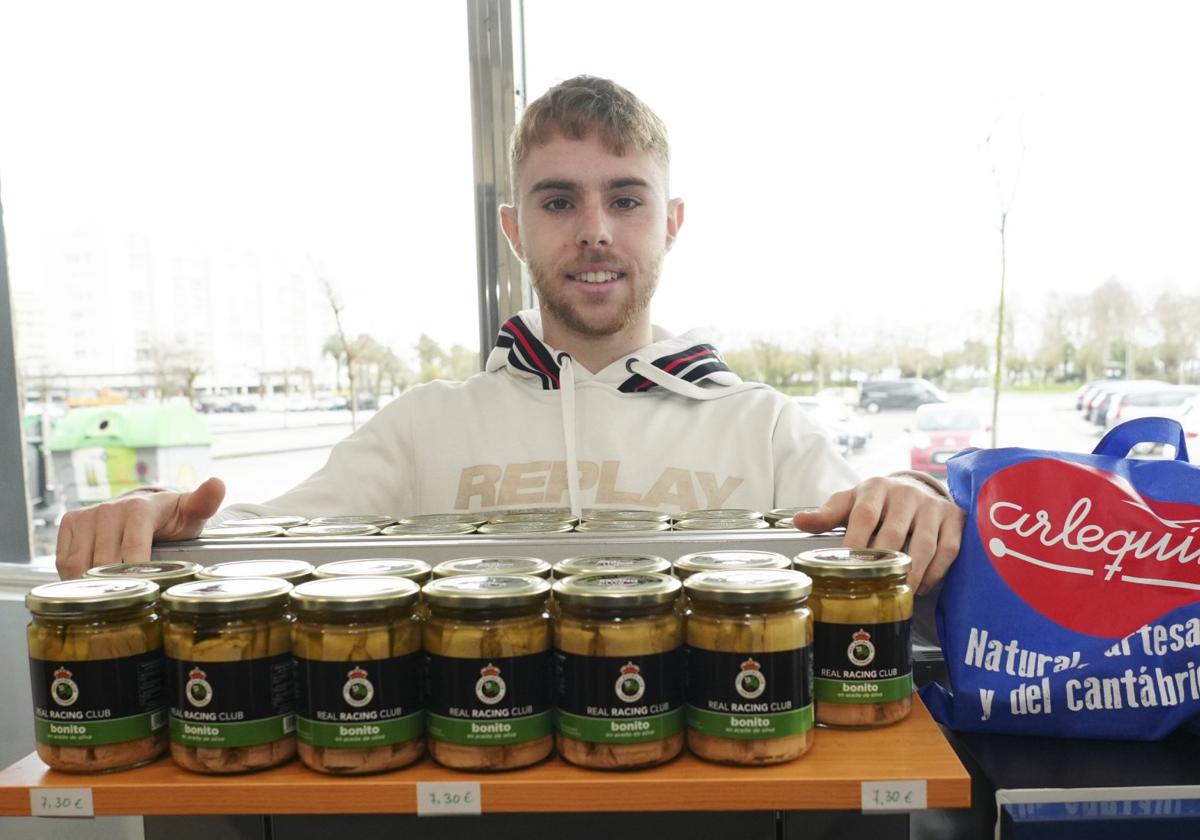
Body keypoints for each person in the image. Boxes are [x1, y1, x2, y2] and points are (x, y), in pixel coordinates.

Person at [55, 76, 964, 593]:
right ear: (515, 229)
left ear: (672, 222)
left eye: (627, 198)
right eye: (559, 200)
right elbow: (272, 537)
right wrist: (161, 524)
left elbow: (882, 539)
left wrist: (919, 493)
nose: (596, 229)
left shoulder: (763, 427)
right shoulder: (425, 427)